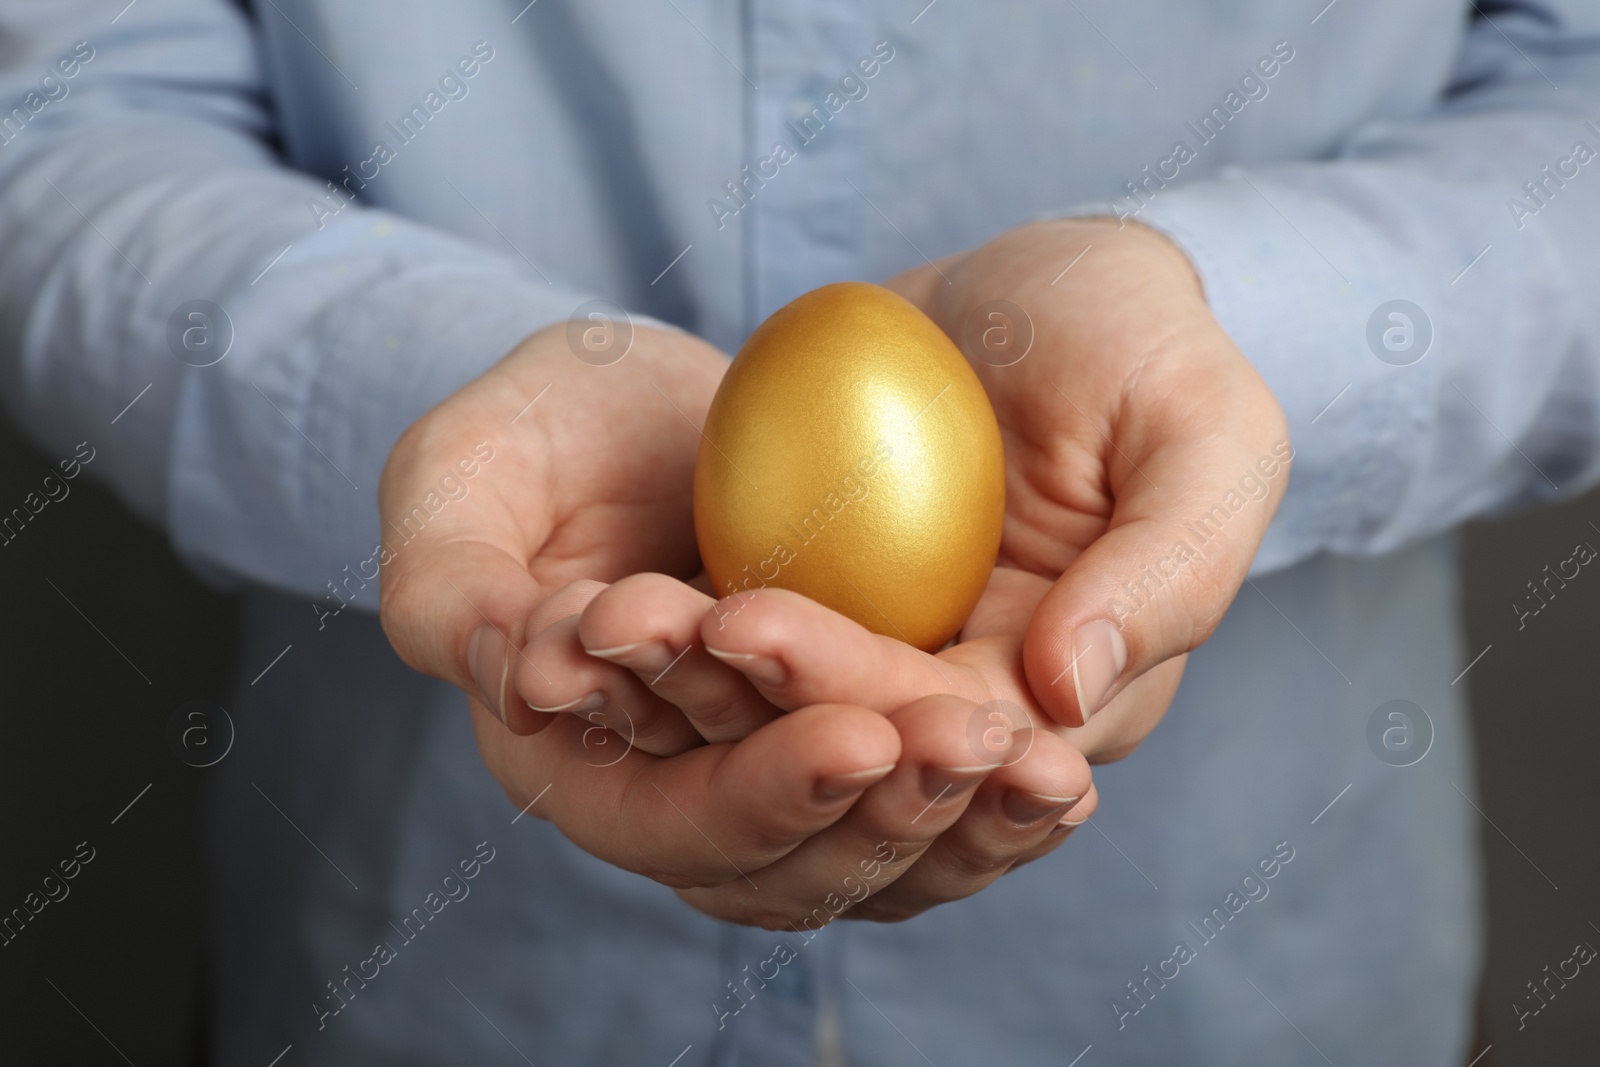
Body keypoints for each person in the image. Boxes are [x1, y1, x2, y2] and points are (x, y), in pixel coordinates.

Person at [1, 0, 1596, 1063]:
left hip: (1242, 983)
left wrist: (1227, 333)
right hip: (433, 976)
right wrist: (434, 396)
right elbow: (66, 115)